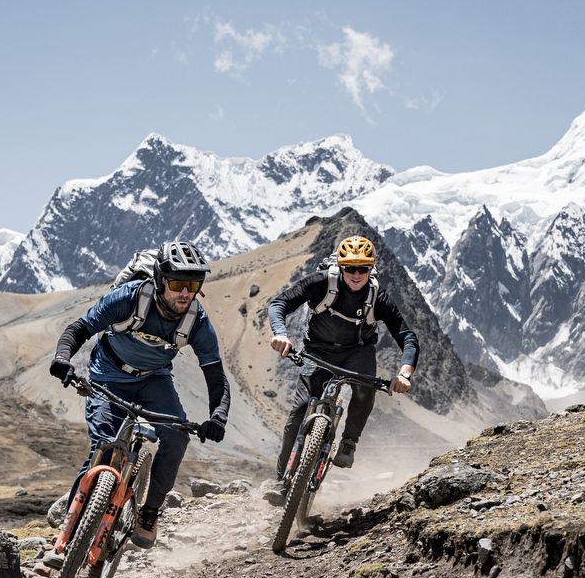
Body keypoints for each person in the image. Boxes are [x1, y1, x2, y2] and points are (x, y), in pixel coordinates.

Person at [48, 241, 229, 548]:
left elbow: (215, 376)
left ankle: (149, 512)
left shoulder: (196, 321)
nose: (186, 293)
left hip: (153, 380)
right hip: (108, 374)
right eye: (178, 283)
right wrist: (62, 359)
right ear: (160, 280)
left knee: (176, 437)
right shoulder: (129, 299)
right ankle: (68, 529)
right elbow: (79, 328)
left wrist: (218, 416)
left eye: (194, 284)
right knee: (102, 448)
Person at [264, 234, 417, 504]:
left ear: (372, 269)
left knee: (364, 390)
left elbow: (406, 336)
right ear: (340, 265)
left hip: (358, 352)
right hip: (318, 350)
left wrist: (404, 373)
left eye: (363, 269)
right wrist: (281, 333)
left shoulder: (377, 297)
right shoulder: (322, 283)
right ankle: (281, 482)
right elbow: (279, 304)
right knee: (298, 413)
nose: (356, 274)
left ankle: (349, 441)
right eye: (350, 268)